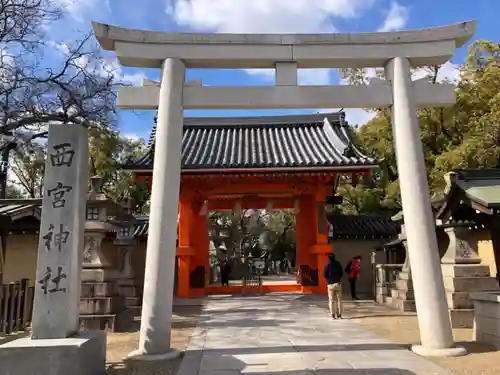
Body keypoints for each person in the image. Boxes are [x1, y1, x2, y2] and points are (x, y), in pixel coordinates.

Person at [323, 253, 344, 319]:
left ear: (328, 258)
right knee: (339, 299)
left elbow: (325, 275)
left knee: (331, 300)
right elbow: (341, 273)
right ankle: (340, 314)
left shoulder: (327, 266)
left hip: (330, 284)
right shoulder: (338, 264)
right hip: (338, 283)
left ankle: (333, 314)